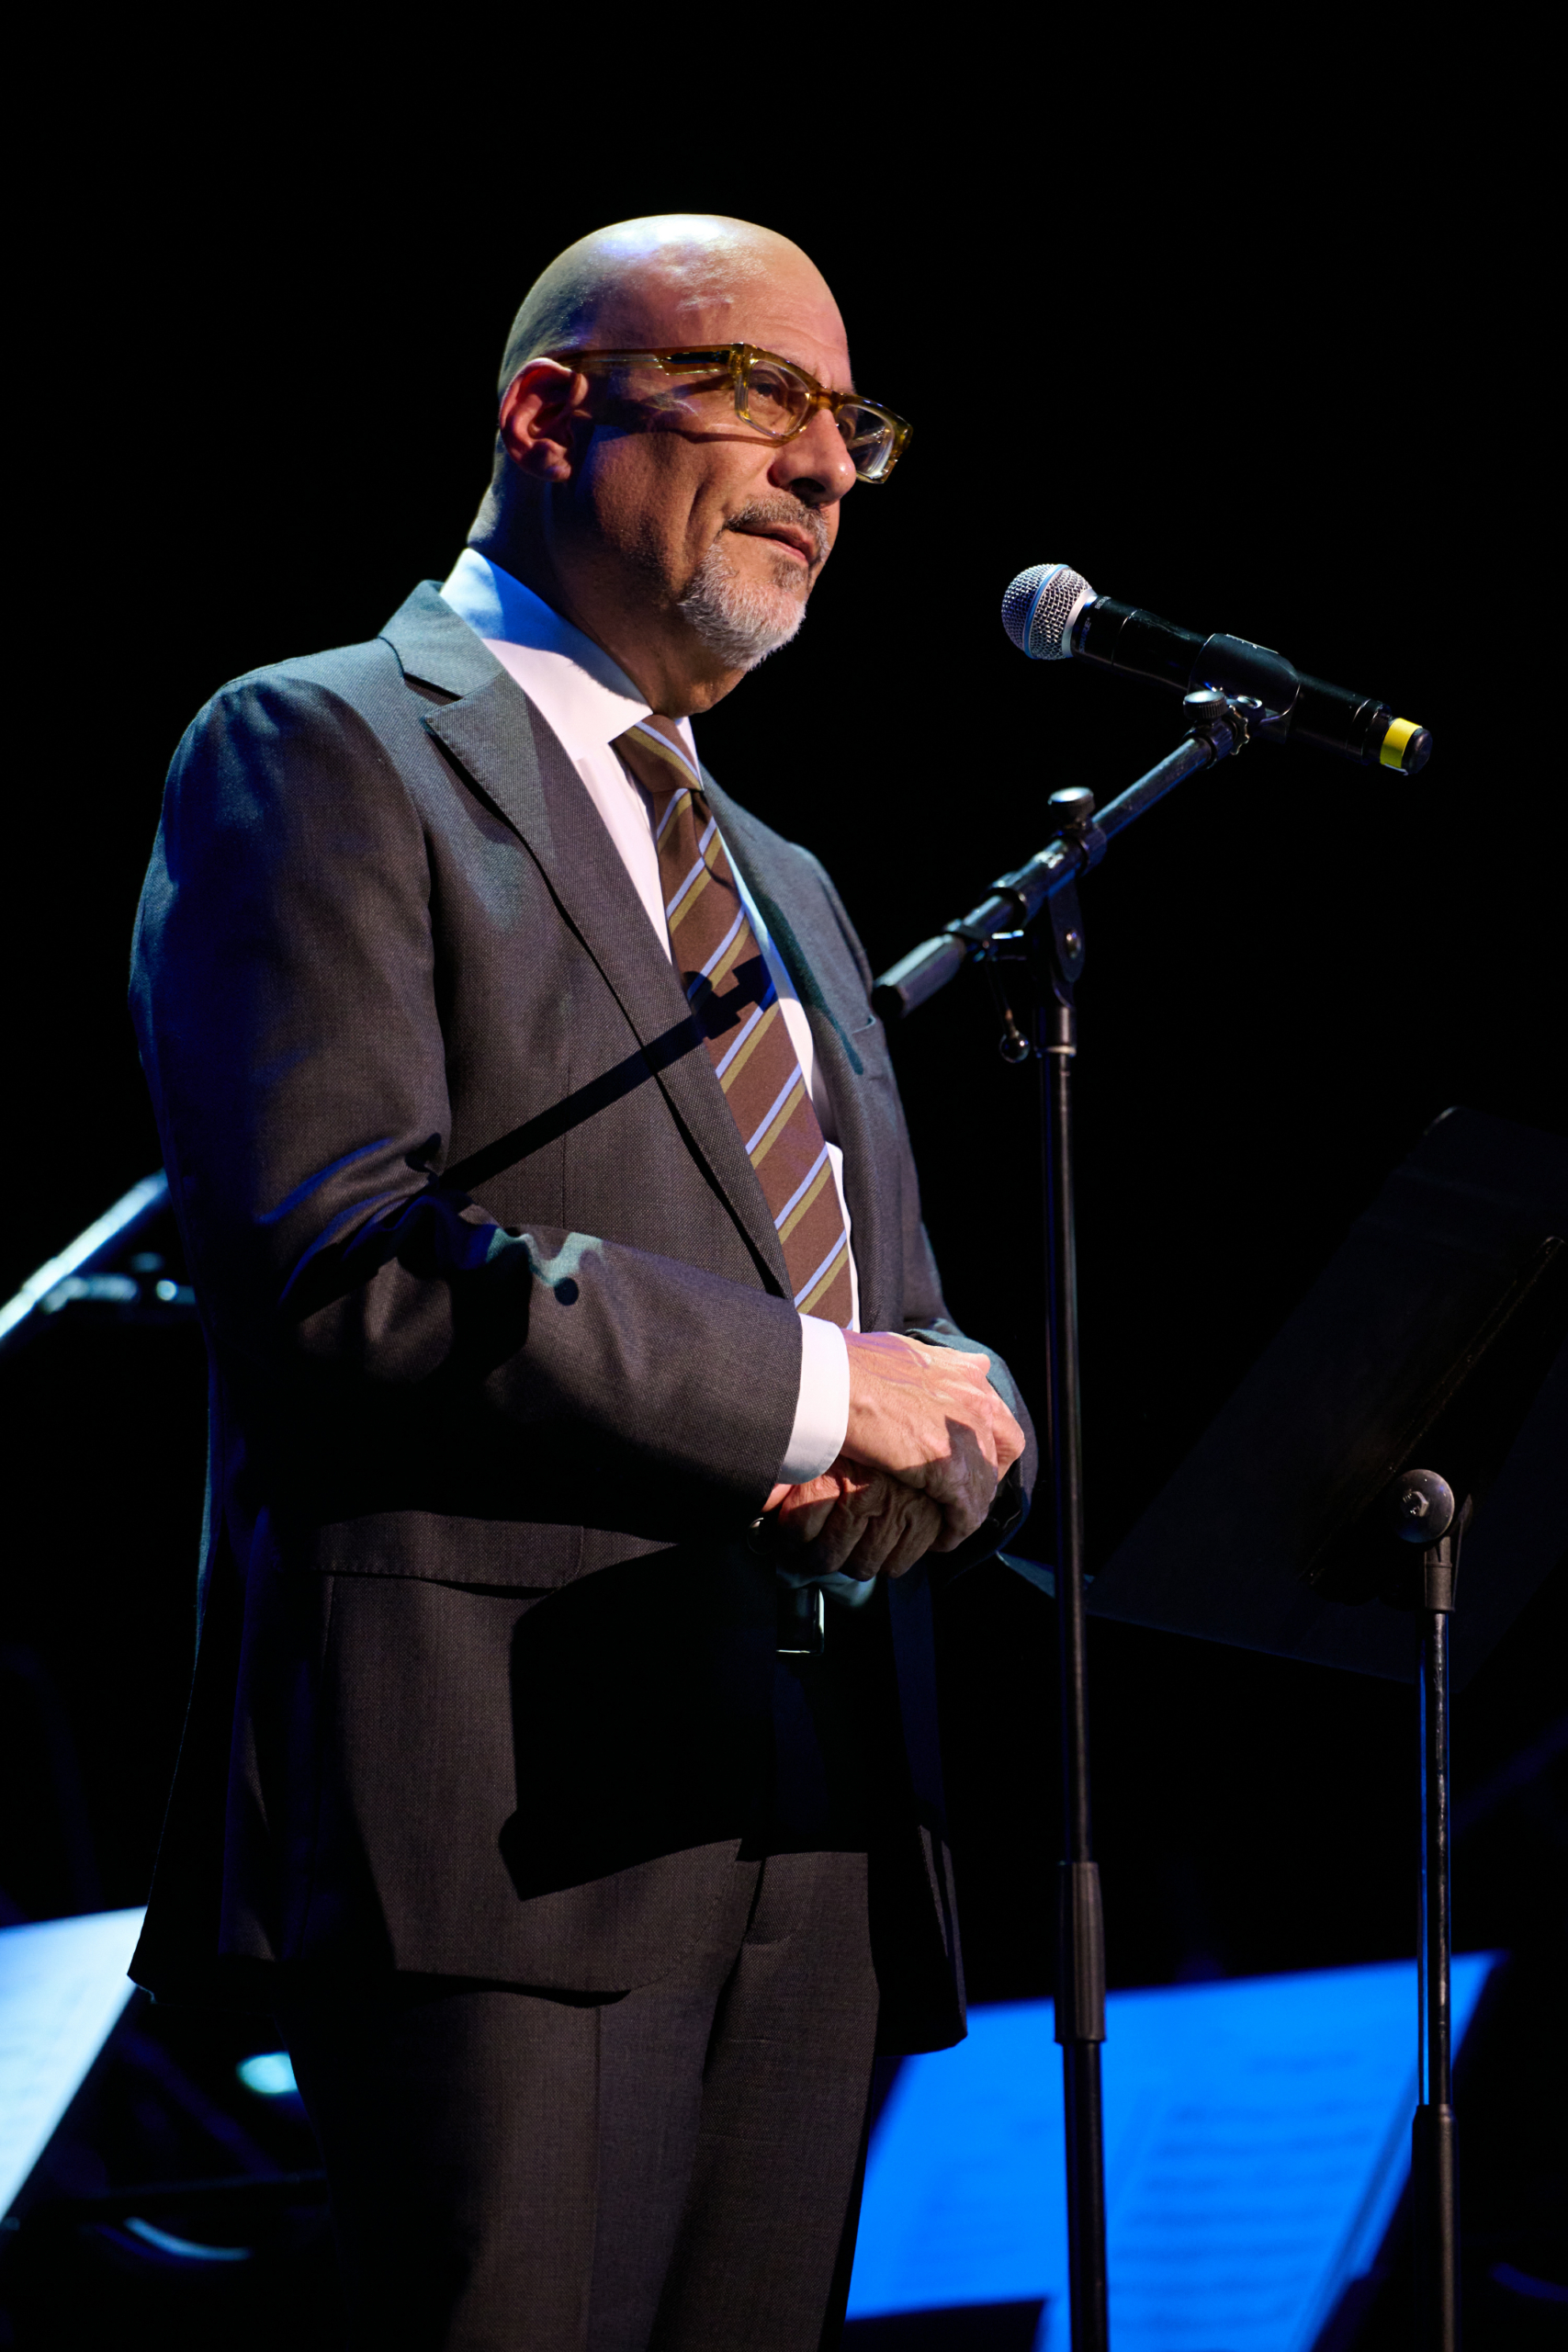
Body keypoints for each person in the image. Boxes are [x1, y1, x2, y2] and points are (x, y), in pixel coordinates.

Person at [129, 213, 1033, 2352]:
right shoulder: (319, 745)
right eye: (762, 392)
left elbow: (889, 1304)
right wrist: (823, 1395)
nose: (825, 466)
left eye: (853, 424)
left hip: (810, 1812)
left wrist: (967, 1412)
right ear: (551, 412)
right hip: (498, 1820)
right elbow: (335, 1258)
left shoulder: (781, 871)